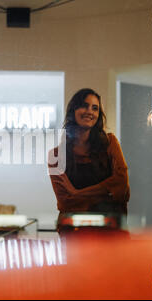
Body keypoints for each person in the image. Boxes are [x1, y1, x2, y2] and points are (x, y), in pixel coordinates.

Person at [48, 88, 130, 232]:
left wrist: (77, 194)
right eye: (84, 106)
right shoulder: (55, 155)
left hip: (111, 231)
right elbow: (65, 202)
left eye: (95, 108)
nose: (90, 112)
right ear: (73, 110)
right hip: (75, 233)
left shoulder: (110, 142)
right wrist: (106, 193)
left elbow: (122, 189)